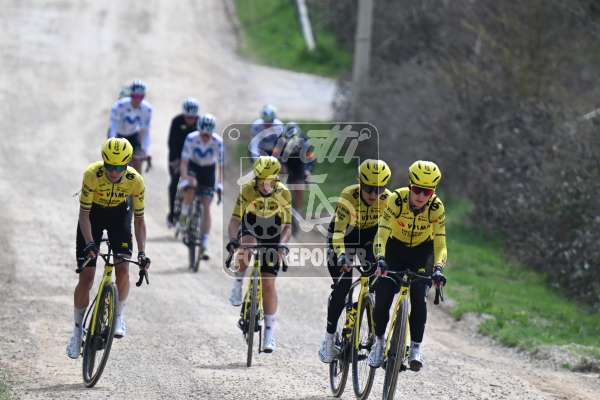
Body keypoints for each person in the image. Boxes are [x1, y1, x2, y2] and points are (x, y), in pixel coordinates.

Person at [66, 138, 150, 359]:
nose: (114, 172)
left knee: (123, 269)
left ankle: (119, 315)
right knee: (86, 277)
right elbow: (84, 215)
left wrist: (142, 252)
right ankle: (76, 332)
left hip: (119, 216)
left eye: (119, 167)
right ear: (103, 162)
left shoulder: (135, 180)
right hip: (93, 216)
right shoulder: (92, 174)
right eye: (110, 166)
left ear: (127, 165)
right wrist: (90, 243)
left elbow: (139, 220)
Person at [367, 160, 448, 371]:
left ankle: (416, 348)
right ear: (410, 186)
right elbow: (382, 233)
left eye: (427, 192)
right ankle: (379, 343)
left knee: (419, 297)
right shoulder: (396, 199)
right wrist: (380, 258)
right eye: (417, 190)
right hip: (395, 248)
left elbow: (440, 243)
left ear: (433, 192)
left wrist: (438, 268)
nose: (421, 196)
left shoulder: (436, 208)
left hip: (422, 252)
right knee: (383, 296)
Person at [318, 159, 392, 363]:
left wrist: (385, 258)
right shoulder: (348, 195)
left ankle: (365, 316)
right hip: (344, 238)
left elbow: (387, 234)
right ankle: (328, 340)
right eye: (369, 189)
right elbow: (338, 233)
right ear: (360, 183)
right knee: (342, 287)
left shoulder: (388, 199)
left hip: (369, 240)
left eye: (379, 189)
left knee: (377, 284)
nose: (374, 195)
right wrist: (342, 255)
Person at [225, 156, 291, 353]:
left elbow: (288, 227)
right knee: (247, 245)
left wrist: (282, 246)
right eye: (261, 181)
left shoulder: (283, 193)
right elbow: (234, 221)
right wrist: (233, 241)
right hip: (251, 224)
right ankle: (238, 284)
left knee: (268, 283)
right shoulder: (247, 190)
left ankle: (269, 334)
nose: (265, 185)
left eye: (270, 181)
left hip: (273, 230)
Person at [177, 113, 224, 256]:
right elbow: (184, 162)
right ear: (199, 130)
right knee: (191, 189)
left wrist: (220, 184)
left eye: (208, 135)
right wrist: (185, 178)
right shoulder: (191, 138)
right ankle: (184, 215)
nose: (205, 138)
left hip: (208, 170)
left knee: (207, 206)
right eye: (203, 134)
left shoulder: (218, 142)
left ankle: (204, 241)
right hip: (193, 167)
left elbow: (221, 166)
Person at [272, 122, 315, 234]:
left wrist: (308, 170)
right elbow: (274, 157)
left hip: (299, 164)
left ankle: (297, 209)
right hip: (285, 163)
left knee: (299, 186)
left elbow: (311, 159)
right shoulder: (280, 141)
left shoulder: (305, 143)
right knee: (278, 180)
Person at [167, 97, 200, 227]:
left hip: (193, 159)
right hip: (177, 156)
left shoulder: (201, 123)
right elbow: (171, 142)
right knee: (174, 181)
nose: (190, 120)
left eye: (193, 117)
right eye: (188, 117)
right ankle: (172, 214)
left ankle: (195, 210)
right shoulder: (176, 121)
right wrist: (175, 161)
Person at [108, 79, 153, 174]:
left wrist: (145, 150)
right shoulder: (120, 105)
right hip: (118, 135)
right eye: (135, 96)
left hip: (133, 134)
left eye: (141, 97)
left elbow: (145, 131)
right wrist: (113, 144)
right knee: (117, 163)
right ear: (130, 95)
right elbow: (113, 126)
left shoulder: (147, 109)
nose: (137, 100)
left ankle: (138, 181)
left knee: (137, 161)